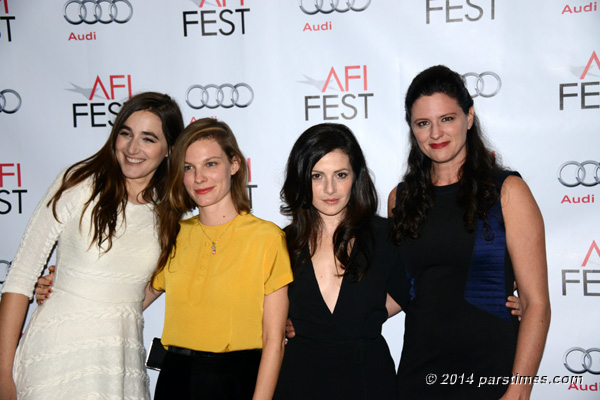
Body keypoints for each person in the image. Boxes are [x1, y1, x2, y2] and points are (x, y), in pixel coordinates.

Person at [0, 92, 184, 400]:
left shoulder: (169, 212)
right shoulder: (78, 183)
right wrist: (3, 374)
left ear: (170, 149)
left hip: (119, 363)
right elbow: (20, 276)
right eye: (125, 133)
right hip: (55, 357)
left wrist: (99, 295)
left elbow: (150, 286)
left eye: (148, 138)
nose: (132, 148)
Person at [388, 65, 550, 399]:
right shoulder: (401, 199)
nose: (436, 133)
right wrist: (316, 320)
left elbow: (536, 304)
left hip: (489, 375)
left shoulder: (507, 191)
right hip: (420, 375)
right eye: (423, 123)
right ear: (412, 129)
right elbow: (401, 291)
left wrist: (518, 392)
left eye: (447, 118)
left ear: (469, 117)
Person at [142, 118, 293, 400]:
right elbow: (127, 303)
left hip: (237, 381)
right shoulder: (172, 235)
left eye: (210, 164)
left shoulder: (266, 237)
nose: (199, 178)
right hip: (175, 379)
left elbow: (274, 341)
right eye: (189, 168)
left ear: (234, 164)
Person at [274, 123, 410, 400]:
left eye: (340, 174)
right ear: (301, 178)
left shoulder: (384, 237)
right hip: (300, 381)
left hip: (368, 381)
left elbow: (417, 290)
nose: (330, 188)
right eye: (317, 176)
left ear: (355, 177)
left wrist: (365, 314)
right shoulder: (280, 243)